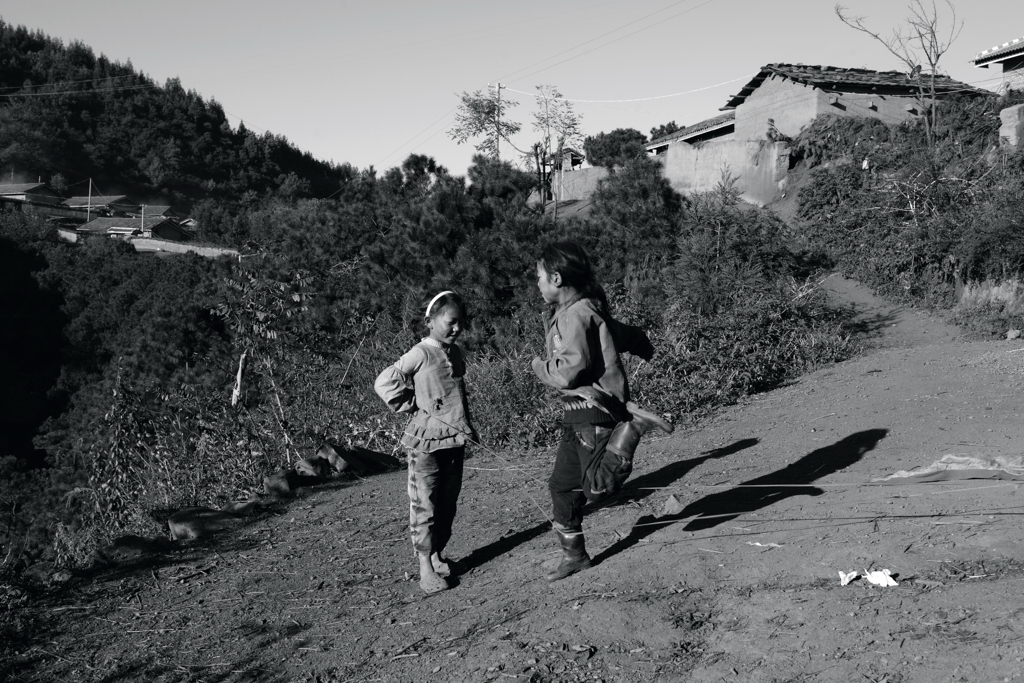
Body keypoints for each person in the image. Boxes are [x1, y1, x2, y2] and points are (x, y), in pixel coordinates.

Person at [531, 242, 672, 582]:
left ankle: (633, 428)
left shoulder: (574, 315)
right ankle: (574, 556)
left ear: (557, 277)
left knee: (595, 487)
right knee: (563, 487)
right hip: (578, 413)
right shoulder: (585, 310)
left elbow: (568, 370)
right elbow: (619, 334)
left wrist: (539, 366)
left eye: (539, 277)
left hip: (593, 411)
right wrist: (641, 343)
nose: (537, 283)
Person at [374, 291, 476, 594]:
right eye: (451, 322)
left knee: (447, 501)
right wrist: (410, 404)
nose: (457, 328)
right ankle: (425, 568)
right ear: (430, 322)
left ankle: (437, 555)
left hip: (453, 441)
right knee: (424, 503)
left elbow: (458, 394)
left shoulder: (455, 353)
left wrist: (466, 425)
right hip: (425, 444)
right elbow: (384, 381)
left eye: (461, 323)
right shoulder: (420, 352)